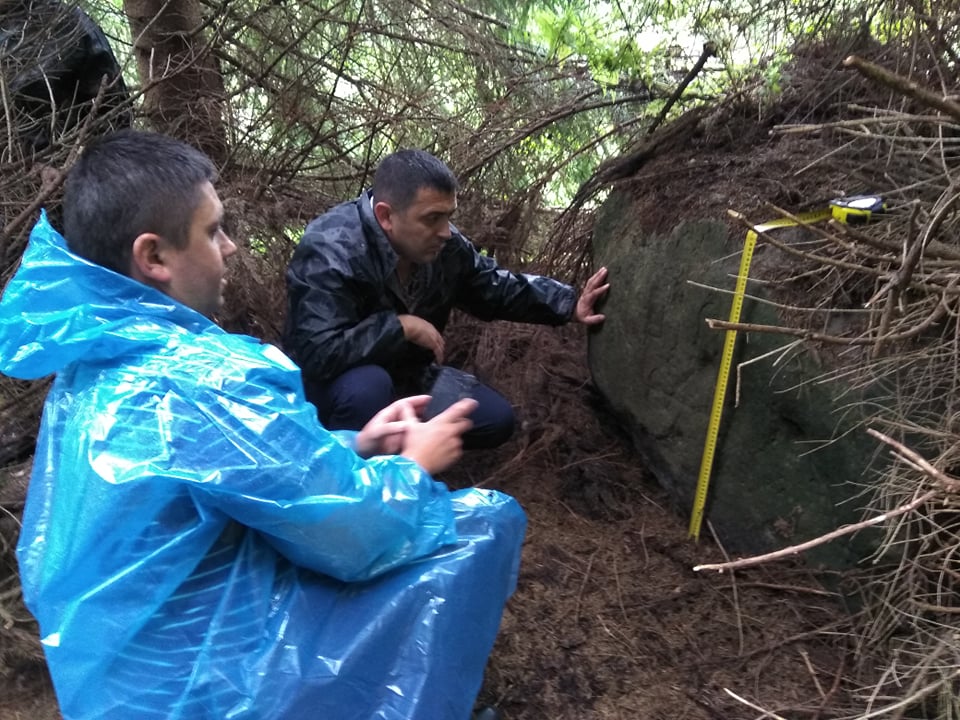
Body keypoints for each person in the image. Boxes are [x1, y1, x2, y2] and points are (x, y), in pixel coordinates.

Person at [0, 130, 525, 720]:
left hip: (116, 681)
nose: (228, 248)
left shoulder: (95, 363)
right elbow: (359, 537)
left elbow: (233, 470)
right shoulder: (205, 379)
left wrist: (358, 442)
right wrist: (411, 464)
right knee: (485, 521)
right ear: (154, 257)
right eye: (212, 230)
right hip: (208, 687)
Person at [283, 149, 610, 450]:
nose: (446, 232)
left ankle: (403, 448)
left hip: (409, 378)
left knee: (494, 419)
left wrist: (568, 303)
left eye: (448, 216)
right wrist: (400, 327)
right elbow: (317, 352)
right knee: (368, 387)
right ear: (386, 217)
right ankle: (345, 476)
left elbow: (492, 285)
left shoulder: (444, 246)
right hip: (336, 388)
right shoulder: (330, 249)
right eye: (432, 218)